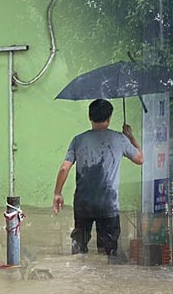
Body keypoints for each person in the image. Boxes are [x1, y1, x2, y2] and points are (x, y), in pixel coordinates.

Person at [52, 98, 143, 257]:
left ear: (90, 117)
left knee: (79, 248)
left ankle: (78, 280)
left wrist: (57, 193)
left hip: (83, 204)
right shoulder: (119, 139)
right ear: (109, 118)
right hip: (108, 204)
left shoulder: (78, 140)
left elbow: (64, 167)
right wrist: (131, 137)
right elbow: (140, 159)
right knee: (110, 253)